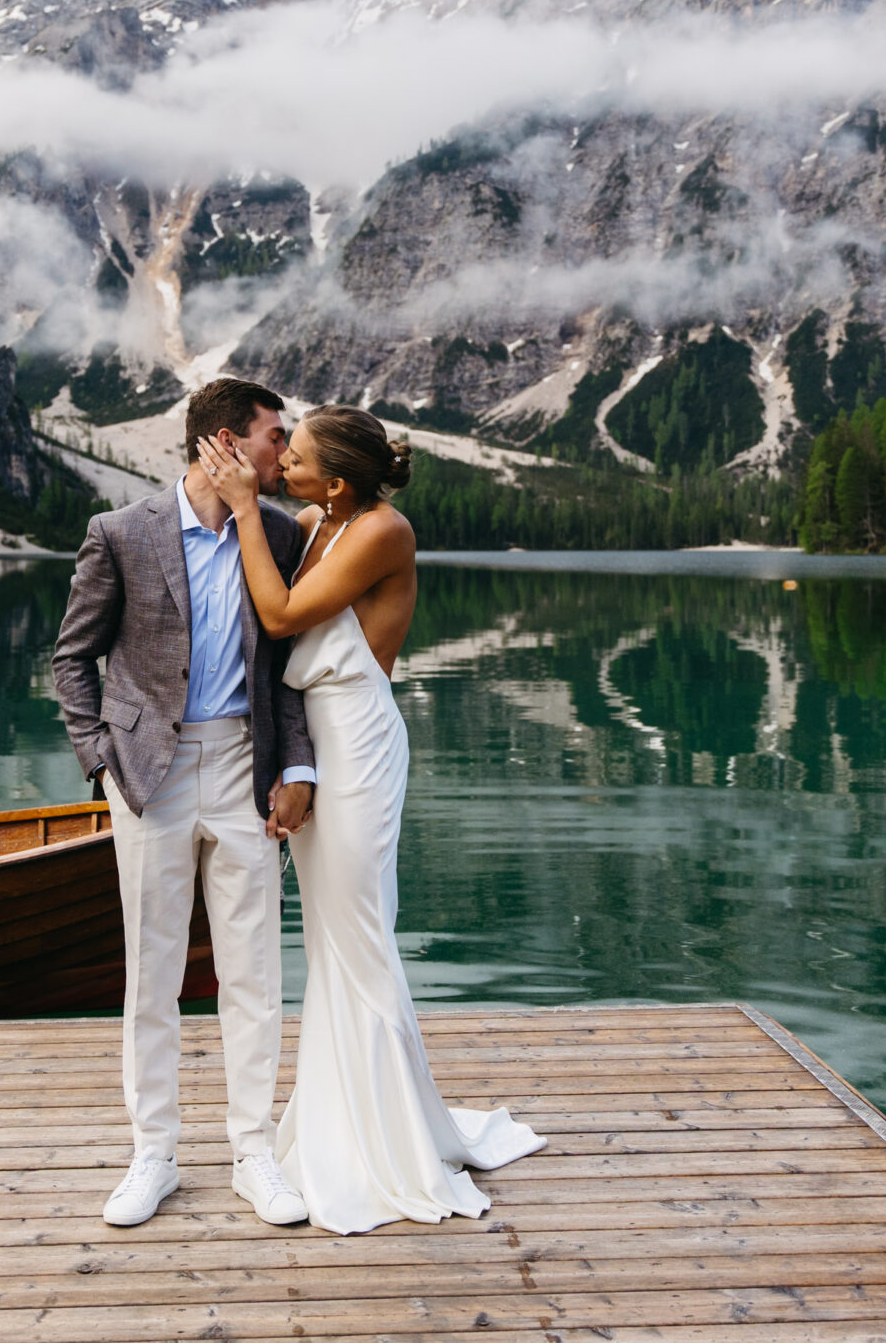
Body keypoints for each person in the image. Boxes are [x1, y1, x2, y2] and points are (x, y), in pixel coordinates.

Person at [195, 404, 545, 1234]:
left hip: (358, 741)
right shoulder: (318, 522)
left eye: (297, 460)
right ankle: (343, 1116)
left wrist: (243, 505)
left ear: (338, 483)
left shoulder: (383, 531)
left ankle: (391, 1143)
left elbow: (282, 616)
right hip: (318, 742)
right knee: (329, 939)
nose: (283, 468)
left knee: (359, 933)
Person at [50, 377, 320, 1230]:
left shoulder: (277, 532)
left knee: (254, 974)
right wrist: (100, 760)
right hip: (147, 775)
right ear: (227, 443)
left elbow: (286, 670)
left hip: (244, 766)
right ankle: (153, 1155)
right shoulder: (120, 532)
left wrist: (297, 766)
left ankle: (253, 1154)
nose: (285, 451)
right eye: (274, 436)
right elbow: (72, 658)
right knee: (152, 975)